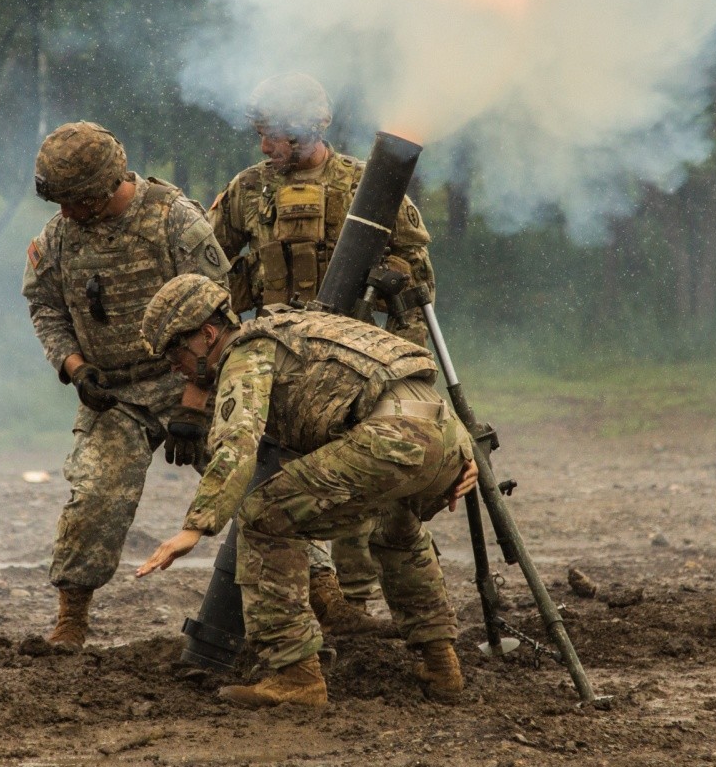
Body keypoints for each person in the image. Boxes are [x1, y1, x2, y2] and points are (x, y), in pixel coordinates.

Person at [134, 275, 477, 709]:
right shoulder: (304, 327)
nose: (174, 366)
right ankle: (441, 664)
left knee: (262, 519)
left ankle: (296, 676)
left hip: (390, 434)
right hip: (445, 432)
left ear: (207, 334)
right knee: (397, 526)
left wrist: (195, 529)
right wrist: (461, 456)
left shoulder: (246, 353)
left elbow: (237, 444)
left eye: (175, 351)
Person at [207, 73, 437, 636]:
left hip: (357, 372)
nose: (264, 147)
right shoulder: (248, 191)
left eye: (274, 135)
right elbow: (209, 272)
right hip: (279, 371)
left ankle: (351, 614)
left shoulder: (370, 192)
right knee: (277, 489)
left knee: (361, 501)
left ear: (306, 130)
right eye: (260, 134)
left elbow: (418, 291)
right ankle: (315, 611)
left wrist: (409, 374)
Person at [22, 122, 227, 649]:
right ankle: (71, 620)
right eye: (60, 200)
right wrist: (74, 367)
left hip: (190, 378)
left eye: (75, 200)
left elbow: (217, 314)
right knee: (93, 499)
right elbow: (45, 306)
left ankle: (320, 589)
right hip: (114, 393)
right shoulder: (59, 237)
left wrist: (195, 402)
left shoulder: (175, 220)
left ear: (106, 188)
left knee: (255, 481)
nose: (65, 212)